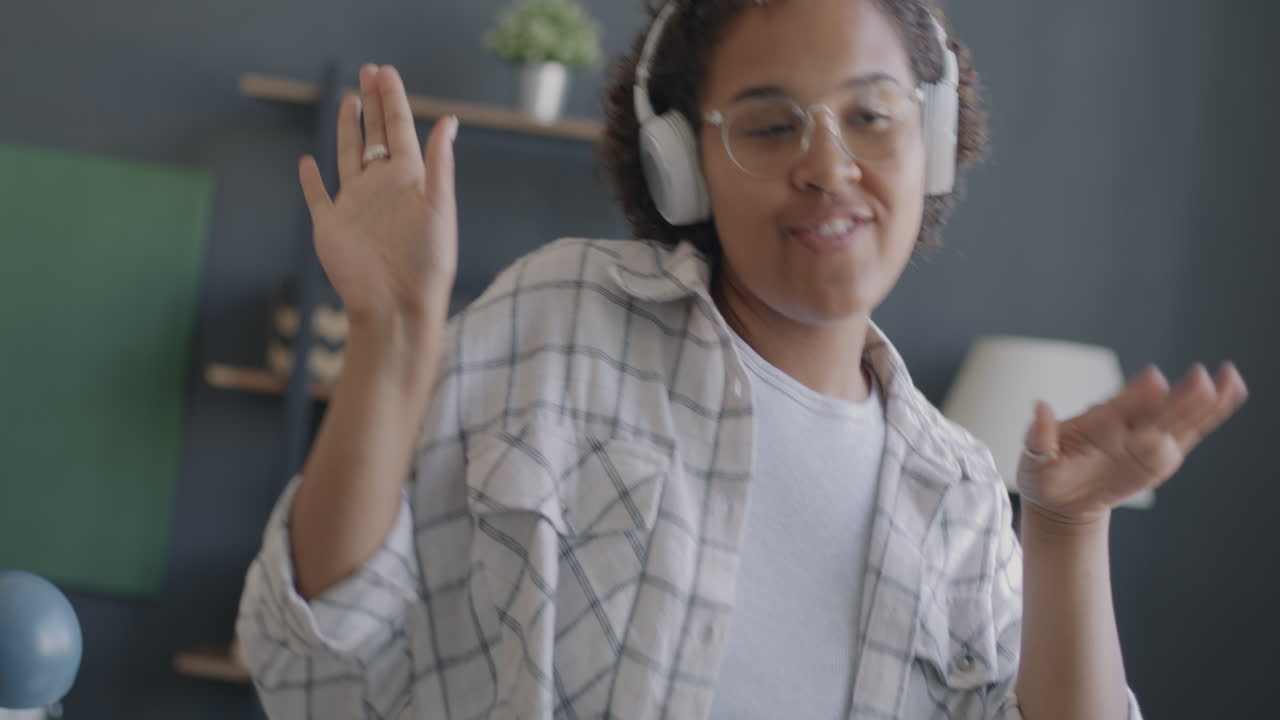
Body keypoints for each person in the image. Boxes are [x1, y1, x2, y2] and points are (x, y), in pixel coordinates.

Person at [236, 0, 1249, 718]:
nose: (826, 165)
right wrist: (393, 332)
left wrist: (1065, 528)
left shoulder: (959, 494)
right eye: (766, 125)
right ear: (681, 165)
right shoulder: (562, 320)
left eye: (870, 114)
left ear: (929, 142)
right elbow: (315, 665)